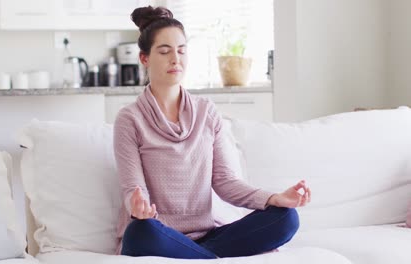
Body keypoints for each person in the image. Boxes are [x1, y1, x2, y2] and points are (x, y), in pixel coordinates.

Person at [113, 6, 311, 259]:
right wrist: (137, 207)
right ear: (144, 58)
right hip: (157, 233)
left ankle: (199, 255)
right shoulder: (130, 119)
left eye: (182, 50)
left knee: (286, 217)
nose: (176, 59)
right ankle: (208, 256)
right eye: (164, 51)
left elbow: (225, 183)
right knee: (141, 232)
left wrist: (274, 198)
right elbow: (133, 188)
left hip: (207, 235)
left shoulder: (207, 112)